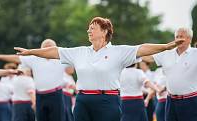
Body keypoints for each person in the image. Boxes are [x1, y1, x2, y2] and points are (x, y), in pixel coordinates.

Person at [13, 17, 184, 121]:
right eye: (88, 28)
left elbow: (143, 48)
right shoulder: (79, 52)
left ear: (104, 31)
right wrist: (31, 52)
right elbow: (54, 51)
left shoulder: (118, 51)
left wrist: (166, 46)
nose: (88, 31)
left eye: (92, 28)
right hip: (82, 101)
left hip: (108, 102)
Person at [0, 39, 66, 121]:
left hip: (56, 94)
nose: (47, 50)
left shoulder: (61, 58)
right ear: (41, 48)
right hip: (40, 95)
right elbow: (16, 58)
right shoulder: (34, 59)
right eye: (45, 48)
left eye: (50, 48)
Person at [142, 27, 197, 121]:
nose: (178, 39)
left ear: (189, 39)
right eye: (177, 36)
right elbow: (149, 58)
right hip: (171, 101)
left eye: (181, 36)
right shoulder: (167, 53)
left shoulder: (195, 53)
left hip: (190, 100)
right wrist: (133, 54)